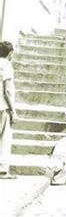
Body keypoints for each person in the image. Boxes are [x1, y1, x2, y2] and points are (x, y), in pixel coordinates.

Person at [0, 41, 18, 179]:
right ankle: (2, 170)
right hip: (3, 107)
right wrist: (14, 110)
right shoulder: (6, 66)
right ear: (10, 53)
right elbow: (7, 91)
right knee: (5, 138)